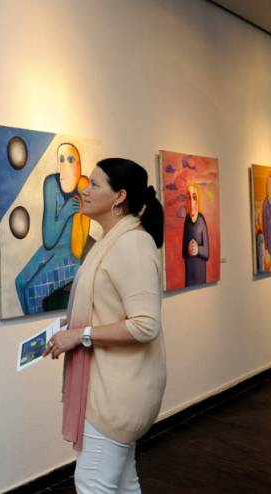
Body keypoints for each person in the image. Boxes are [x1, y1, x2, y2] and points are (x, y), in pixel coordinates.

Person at [46, 158, 166, 493]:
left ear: (119, 196)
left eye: (95, 184)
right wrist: (72, 325)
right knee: (124, 482)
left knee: (92, 483)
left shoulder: (133, 244)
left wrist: (80, 335)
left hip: (117, 390)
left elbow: (145, 325)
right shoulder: (113, 240)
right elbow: (108, 305)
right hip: (111, 384)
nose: (84, 190)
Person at [15, 143, 90, 314]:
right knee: (20, 283)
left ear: (78, 164)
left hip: (70, 258)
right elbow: (49, 240)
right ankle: (30, 325)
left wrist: (75, 212)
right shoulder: (51, 184)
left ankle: (38, 327)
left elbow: (78, 249)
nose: (65, 165)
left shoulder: (84, 187)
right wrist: (64, 214)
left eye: (70, 159)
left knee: (32, 292)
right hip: (51, 250)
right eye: (61, 159)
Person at [181, 182, 209, 286]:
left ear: (198, 200)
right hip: (189, 275)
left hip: (200, 274)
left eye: (194, 197)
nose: (191, 203)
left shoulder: (201, 220)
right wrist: (188, 249)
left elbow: (207, 253)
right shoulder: (187, 221)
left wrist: (198, 249)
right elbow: (183, 253)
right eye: (188, 198)